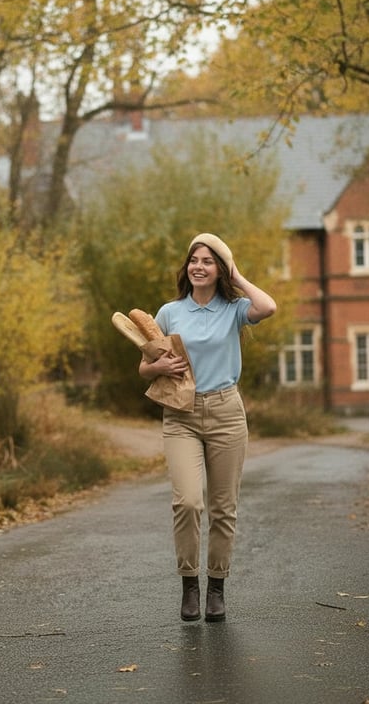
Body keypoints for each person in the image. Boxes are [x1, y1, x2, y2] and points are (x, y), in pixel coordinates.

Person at [138, 233, 277, 622]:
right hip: (180, 415)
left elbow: (268, 306)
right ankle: (189, 584)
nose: (198, 266)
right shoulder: (168, 313)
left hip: (226, 412)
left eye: (208, 261)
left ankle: (216, 587)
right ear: (186, 268)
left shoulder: (234, 309)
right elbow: (145, 367)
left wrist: (236, 270)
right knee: (187, 501)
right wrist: (159, 367)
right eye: (193, 260)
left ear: (219, 270)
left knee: (223, 508)